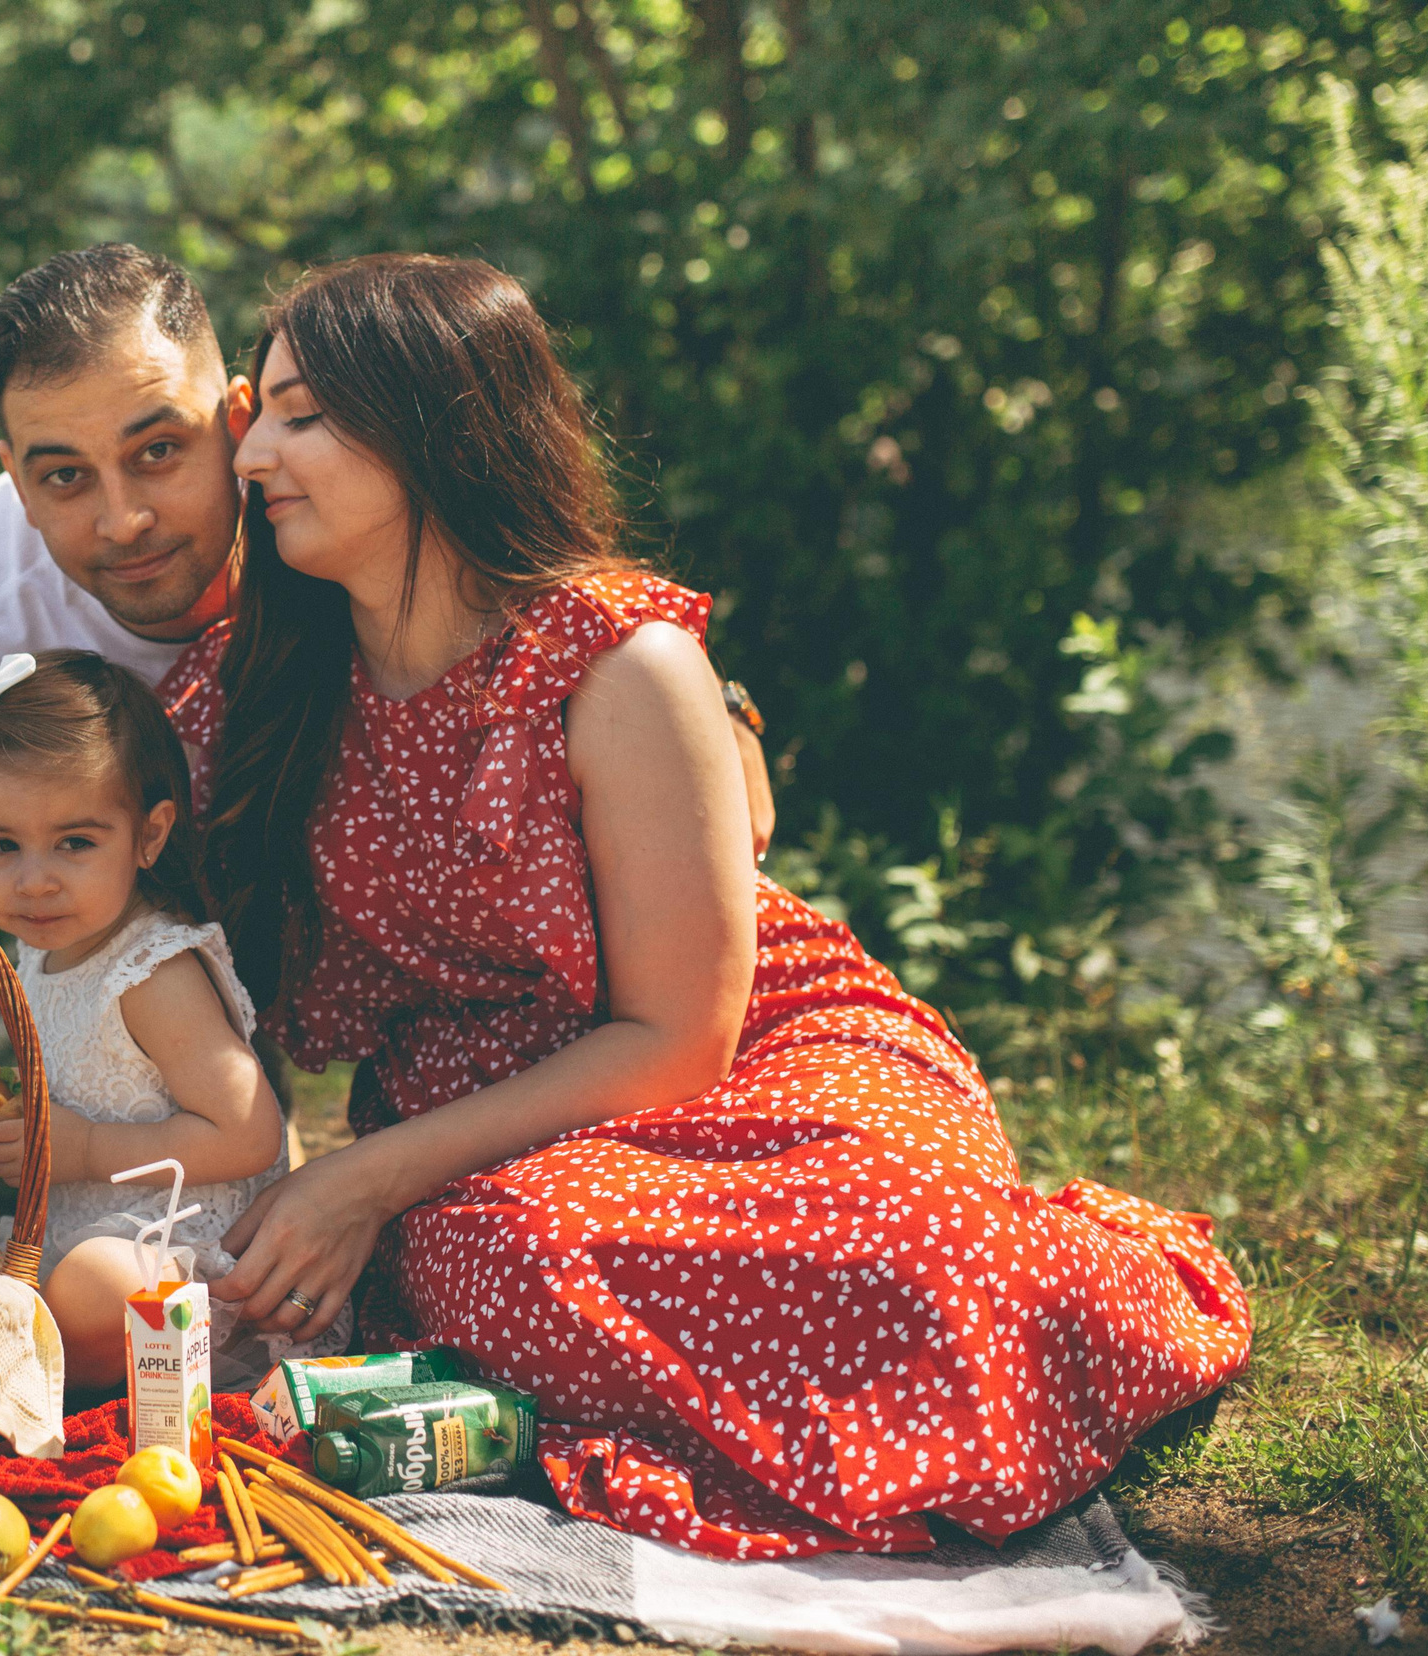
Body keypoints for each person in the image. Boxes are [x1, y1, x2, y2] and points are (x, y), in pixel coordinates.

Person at [165, 253, 1251, 1559]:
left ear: (430, 428)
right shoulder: (264, 683)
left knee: (905, 1245)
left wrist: (359, 1179)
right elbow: (79, 858)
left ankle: (1070, 1286)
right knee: (513, 1254)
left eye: (300, 416)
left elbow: (680, 1034)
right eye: (258, 417)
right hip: (493, 1143)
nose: (253, 458)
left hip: (755, 1062)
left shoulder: (618, 657)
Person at [0, 244, 777, 1102]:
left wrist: (713, 700)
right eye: (64, 478)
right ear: (13, 475)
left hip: (640, 1030)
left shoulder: (328, 499)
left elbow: (523, 559)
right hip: (285, 970)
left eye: (159, 452)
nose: (124, 520)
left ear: (236, 420)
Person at [0, 648, 331, 1388]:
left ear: (148, 834)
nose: (35, 878)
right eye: (1, 846)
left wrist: (79, 1152)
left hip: (186, 1259)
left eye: (75, 842)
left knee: (93, 1289)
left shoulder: (152, 972)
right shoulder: (40, 950)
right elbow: (82, 1095)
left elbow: (249, 1133)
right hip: (85, 1231)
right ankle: (39, 1364)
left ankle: (74, 1378)